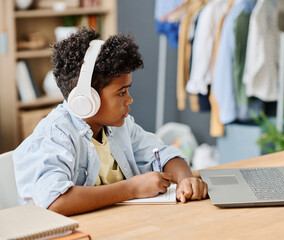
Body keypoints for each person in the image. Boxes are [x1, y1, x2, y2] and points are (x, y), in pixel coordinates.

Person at [13, 27, 208, 216]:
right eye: (121, 92)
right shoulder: (55, 135)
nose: (129, 99)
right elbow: (55, 201)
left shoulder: (121, 127)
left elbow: (165, 155)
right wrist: (131, 188)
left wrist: (186, 180)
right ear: (87, 100)